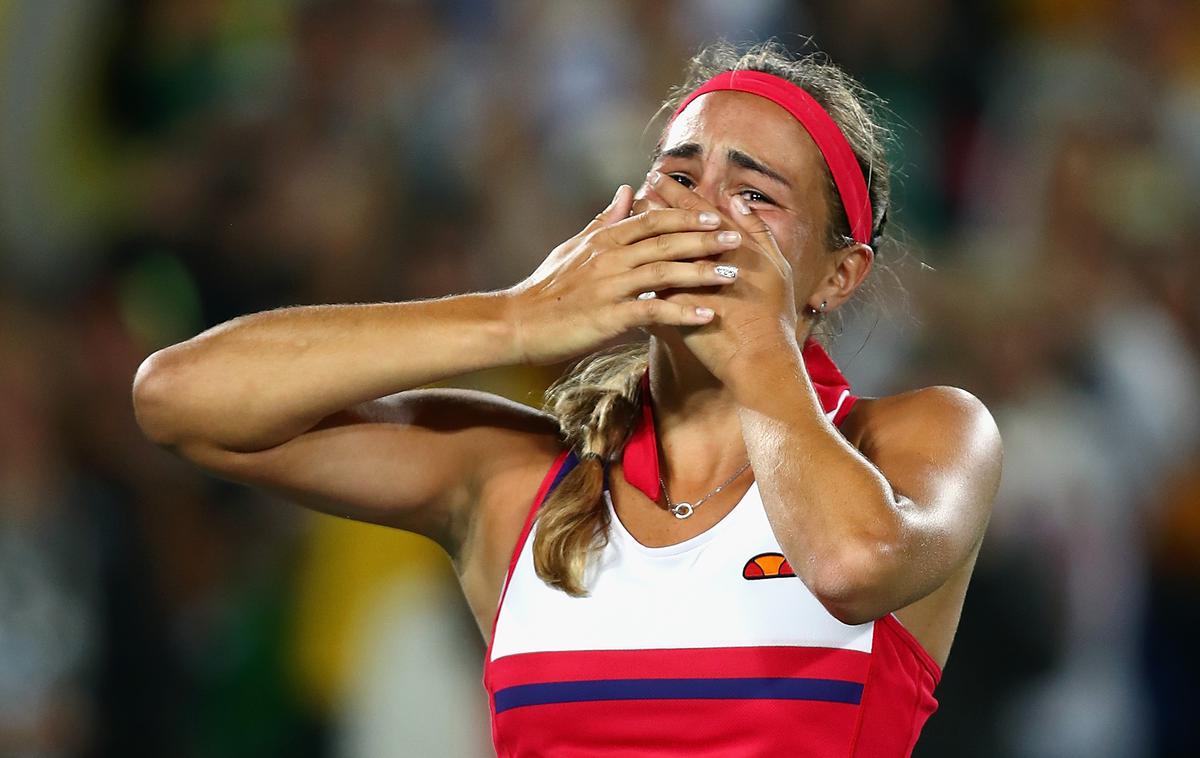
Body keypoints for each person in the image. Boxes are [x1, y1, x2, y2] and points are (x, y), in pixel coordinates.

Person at [132, 40, 1002, 757]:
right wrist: (516, 318)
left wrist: (759, 342)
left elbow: (851, 565)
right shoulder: (519, 483)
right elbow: (179, 398)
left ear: (840, 275)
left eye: (753, 196)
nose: (702, 219)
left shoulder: (922, 437)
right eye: (680, 179)